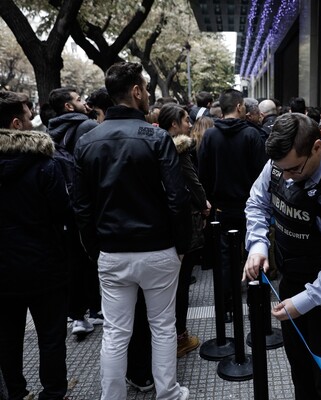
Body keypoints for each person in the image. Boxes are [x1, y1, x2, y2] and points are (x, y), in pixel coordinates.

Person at [71, 62, 191, 400]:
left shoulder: (87, 140)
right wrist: (181, 245)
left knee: (115, 332)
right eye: (147, 88)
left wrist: (94, 248)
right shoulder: (155, 137)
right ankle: (167, 392)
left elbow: (81, 206)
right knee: (162, 327)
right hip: (157, 249)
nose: (150, 94)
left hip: (112, 250)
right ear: (136, 91)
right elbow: (177, 198)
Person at [243, 113, 321, 399]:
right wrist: (258, 246)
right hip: (290, 278)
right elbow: (257, 203)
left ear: (317, 147)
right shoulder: (280, 165)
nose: (286, 178)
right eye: (281, 169)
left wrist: (305, 302)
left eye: (294, 170)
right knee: (299, 365)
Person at [0, 91, 70, 400]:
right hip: (44, 263)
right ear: (16, 123)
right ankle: (53, 393)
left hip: (2, 269)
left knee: (7, 338)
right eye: (30, 116)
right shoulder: (43, 163)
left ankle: (17, 393)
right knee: (51, 336)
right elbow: (63, 212)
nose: (33, 122)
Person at [197, 88, 267, 321]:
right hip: (250, 206)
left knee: (225, 258)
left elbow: (203, 173)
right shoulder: (251, 135)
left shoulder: (210, 136)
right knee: (253, 252)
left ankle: (226, 307)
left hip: (221, 208)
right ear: (239, 107)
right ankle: (256, 305)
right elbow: (261, 174)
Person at [47, 86, 102, 337]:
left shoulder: (52, 131)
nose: (84, 104)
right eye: (79, 100)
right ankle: (91, 311)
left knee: (76, 261)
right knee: (89, 258)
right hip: (86, 203)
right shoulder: (85, 127)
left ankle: (81, 314)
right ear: (69, 106)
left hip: (65, 205)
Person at [158, 104, 210, 357]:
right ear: (174, 125)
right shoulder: (179, 149)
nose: (190, 124)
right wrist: (205, 204)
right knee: (180, 285)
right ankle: (179, 337)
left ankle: (166, 336)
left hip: (160, 225)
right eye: (186, 120)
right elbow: (193, 182)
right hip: (182, 223)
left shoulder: (152, 146)